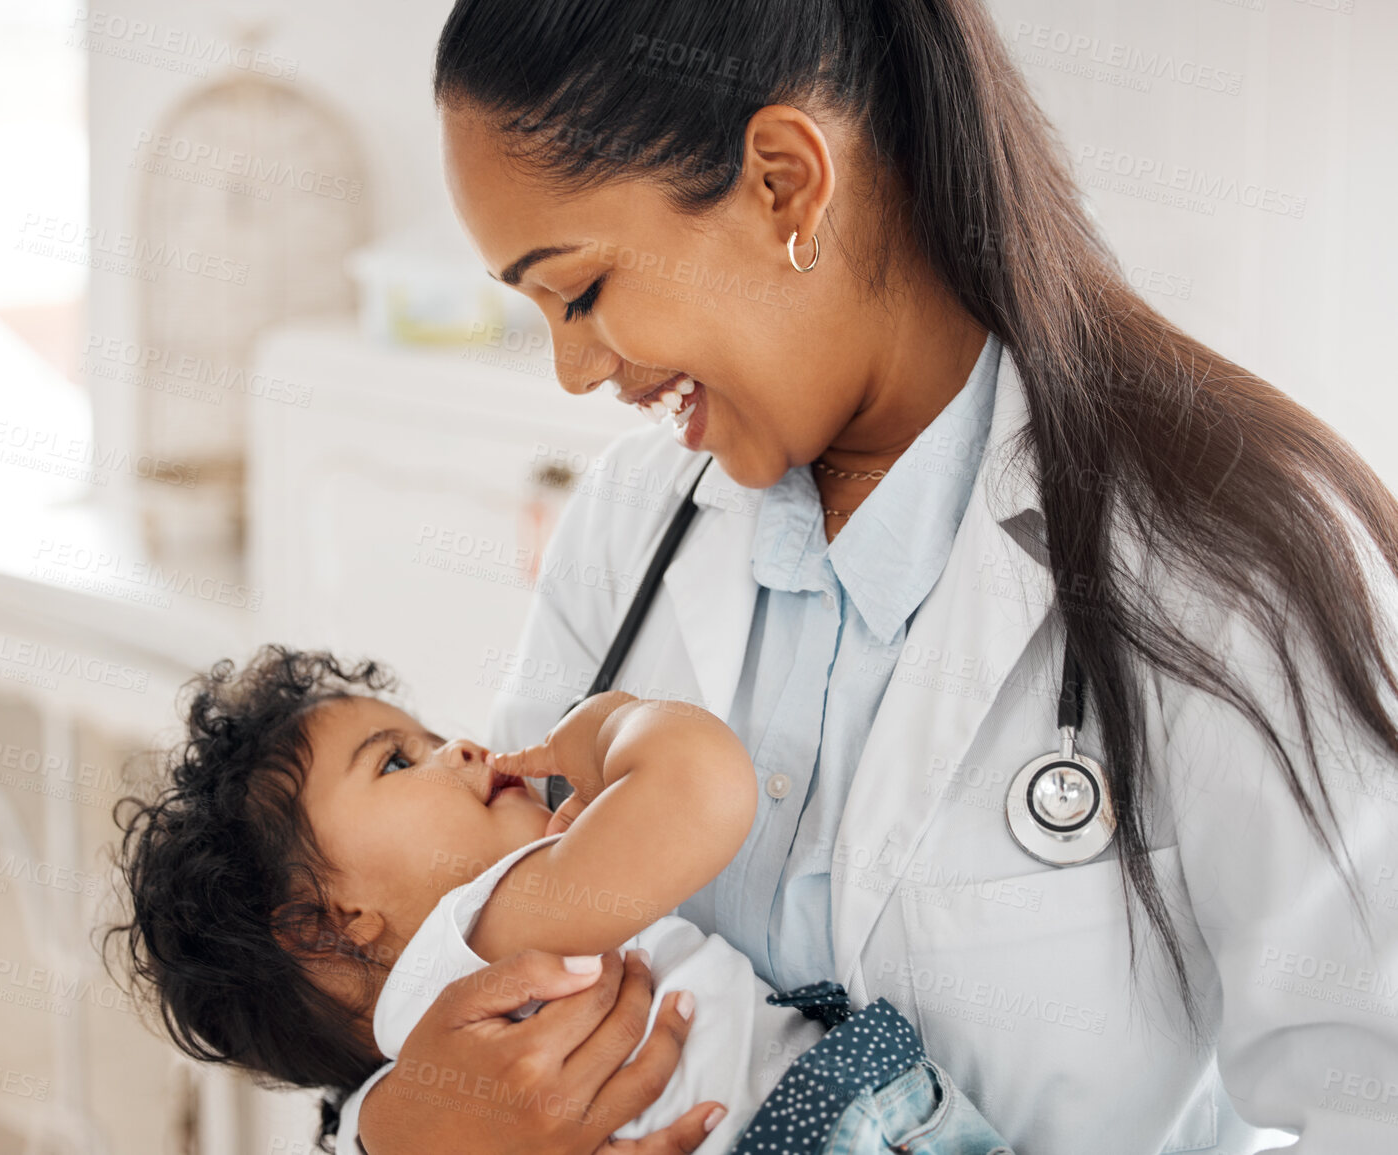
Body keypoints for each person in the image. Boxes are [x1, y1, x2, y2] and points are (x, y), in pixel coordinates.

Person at [346, 1, 1398, 1153]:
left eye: (583, 289)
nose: (573, 367)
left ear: (786, 184)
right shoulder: (629, 527)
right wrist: (396, 1135)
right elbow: (465, 982)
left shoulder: (1235, 562)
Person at [107, 647, 1014, 1154]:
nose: (461, 747)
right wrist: (614, 727)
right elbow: (702, 788)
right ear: (329, 926)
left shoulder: (384, 1108)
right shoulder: (478, 938)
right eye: (395, 759)